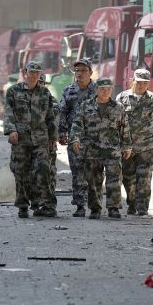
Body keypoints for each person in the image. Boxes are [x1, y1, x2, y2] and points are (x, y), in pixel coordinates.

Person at [69, 77, 132, 219]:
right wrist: (75, 139)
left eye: (108, 89)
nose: (105, 92)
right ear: (96, 89)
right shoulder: (85, 106)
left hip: (112, 150)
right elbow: (77, 124)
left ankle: (114, 208)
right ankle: (95, 208)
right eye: (102, 89)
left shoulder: (118, 107)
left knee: (114, 180)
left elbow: (124, 128)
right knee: (93, 181)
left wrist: (127, 146)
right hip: (92, 149)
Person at [4, 61, 58, 218]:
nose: (34, 75)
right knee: (21, 172)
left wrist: (53, 137)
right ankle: (22, 205)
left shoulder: (44, 93)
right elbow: (8, 113)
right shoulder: (13, 91)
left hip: (41, 139)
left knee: (43, 170)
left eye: (37, 72)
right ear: (25, 72)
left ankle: (47, 205)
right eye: (31, 72)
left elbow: (50, 116)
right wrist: (11, 130)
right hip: (21, 139)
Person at [116, 69, 153, 216]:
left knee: (144, 177)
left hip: (147, 145)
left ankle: (142, 208)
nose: (141, 86)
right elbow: (116, 121)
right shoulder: (122, 98)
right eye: (139, 82)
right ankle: (132, 203)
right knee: (128, 178)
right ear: (133, 81)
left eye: (145, 83)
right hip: (127, 146)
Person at [57, 58, 96, 217]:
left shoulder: (99, 90)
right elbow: (62, 113)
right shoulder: (69, 91)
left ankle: (95, 205)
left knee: (94, 173)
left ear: (91, 73)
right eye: (77, 71)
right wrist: (62, 133)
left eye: (83, 71)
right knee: (77, 172)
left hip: (95, 138)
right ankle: (80, 205)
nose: (79, 74)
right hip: (75, 139)